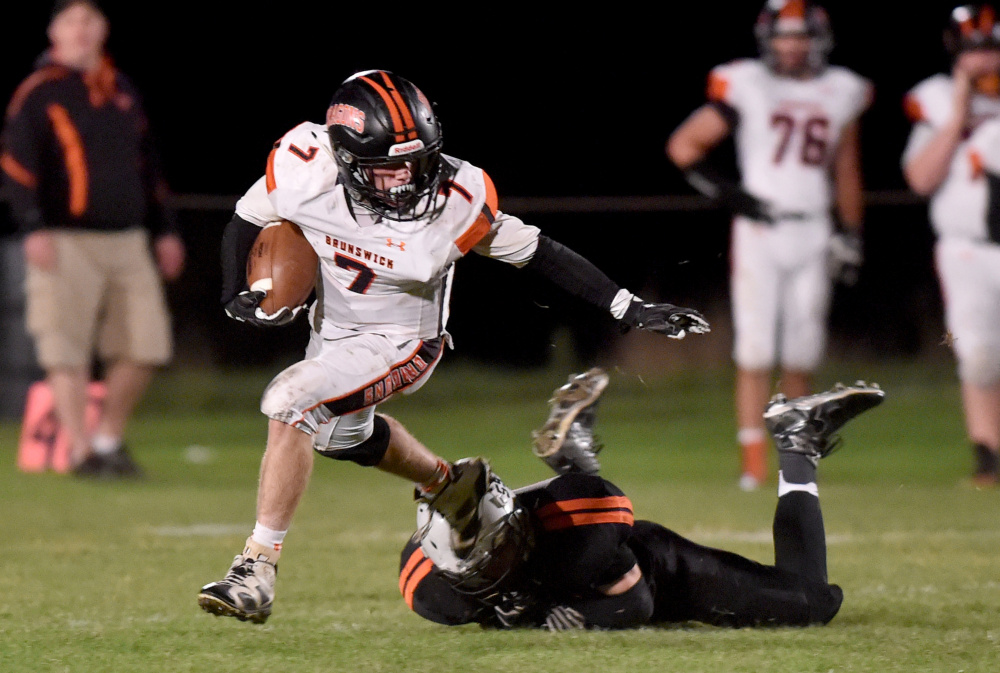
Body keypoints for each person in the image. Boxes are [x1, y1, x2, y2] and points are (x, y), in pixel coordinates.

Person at [196, 69, 711, 624]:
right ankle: (450, 484)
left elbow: (539, 251)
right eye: (390, 168)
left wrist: (627, 306)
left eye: (416, 163)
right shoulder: (305, 166)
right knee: (343, 439)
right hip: (334, 335)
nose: (408, 180)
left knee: (290, 402)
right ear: (344, 159)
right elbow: (249, 218)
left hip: (403, 342)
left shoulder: (455, 198)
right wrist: (233, 293)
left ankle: (256, 568)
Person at [400, 368, 885, 630]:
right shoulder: (431, 590)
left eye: (504, 543)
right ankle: (575, 459)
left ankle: (796, 443)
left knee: (814, 604)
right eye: (490, 558)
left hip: (651, 567)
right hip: (569, 532)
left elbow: (637, 604)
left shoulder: (581, 536)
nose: (502, 558)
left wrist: (563, 620)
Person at [665, 0, 873, 492]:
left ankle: (795, 453)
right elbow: (684, 145)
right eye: (785, 36)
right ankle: (753, 464)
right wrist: (734, 196)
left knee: (802, 350)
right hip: (762, 230)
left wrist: (852, 233)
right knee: (756, 349)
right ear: (768, 40)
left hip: (815, 226)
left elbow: (846, 168)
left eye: (801, 36)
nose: (793, 45)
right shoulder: (748, 85)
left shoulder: (840, 90)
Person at [0, 0, 185, 478]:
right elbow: (17, 167)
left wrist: (165, 230)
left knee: (147, 344)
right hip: (65, 239)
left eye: (91, 19)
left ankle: (106, 440)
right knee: (66, 348)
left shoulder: (119, 88)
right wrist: (33, 226)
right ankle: (80, 452)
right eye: (72, 20)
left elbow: (149, 167)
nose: (82, 29)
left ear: (103, 28)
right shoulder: (39, 93)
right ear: (53, 31)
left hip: (127, 240)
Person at [902, 3, 1000, 487]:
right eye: (973, 49)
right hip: (967, 247)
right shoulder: (938, 99)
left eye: (989, 47)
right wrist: (961, 106)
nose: (982, 58)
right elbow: (921, 178)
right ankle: (988, 458)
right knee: (978, 353)